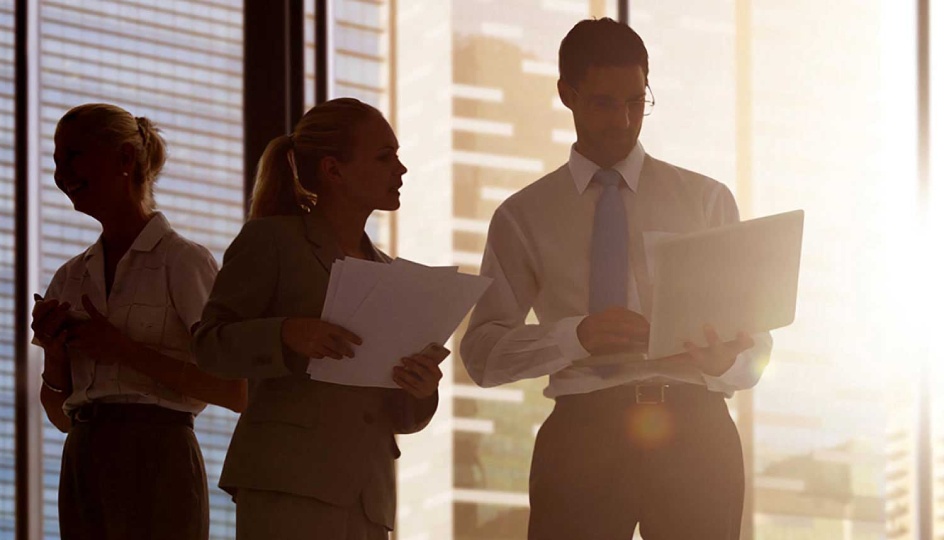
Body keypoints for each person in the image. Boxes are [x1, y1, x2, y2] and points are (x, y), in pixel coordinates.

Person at [460, 19, 773, 540]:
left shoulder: (707, 200)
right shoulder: (523, 216)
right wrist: (575, 337)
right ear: (567, 94)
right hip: (582, 434)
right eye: (604, 103)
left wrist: (728, 361)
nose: (623, 120)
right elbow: (483, 356)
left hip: (696, 432)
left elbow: (756, 348)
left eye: (636, 101)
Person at [193, 97, 447, 540]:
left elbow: (400, 415)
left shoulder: (391, 275)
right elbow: (208, 345)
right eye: (385, 156)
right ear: (333, 170)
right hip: (287, 485)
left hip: (369, 498)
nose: (401, 169)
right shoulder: (271, 241)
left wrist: (422, 390)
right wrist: (287, 334)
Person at [30, 103, 248, 540]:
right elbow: (60, 414)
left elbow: (237, 391)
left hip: (160, 457)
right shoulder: (69, 277)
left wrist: (122, 350)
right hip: (83, 460)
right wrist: (56, 354)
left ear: (126, 159)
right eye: (56, 160)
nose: (61, 173)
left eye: (73, 155)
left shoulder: (183, 262)